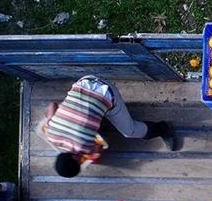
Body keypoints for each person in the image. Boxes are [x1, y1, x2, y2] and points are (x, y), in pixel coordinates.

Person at [44, 75, 178, 178]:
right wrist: (56, 119)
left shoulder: (84, 148)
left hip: (107, 92)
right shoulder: (50, 134)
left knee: (130, 131)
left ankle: (162, 128)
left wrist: (94, 154)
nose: (80, 161)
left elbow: (100, 149)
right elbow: (53, 105)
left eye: (79, 163)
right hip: (84, 82)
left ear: (74, 158)